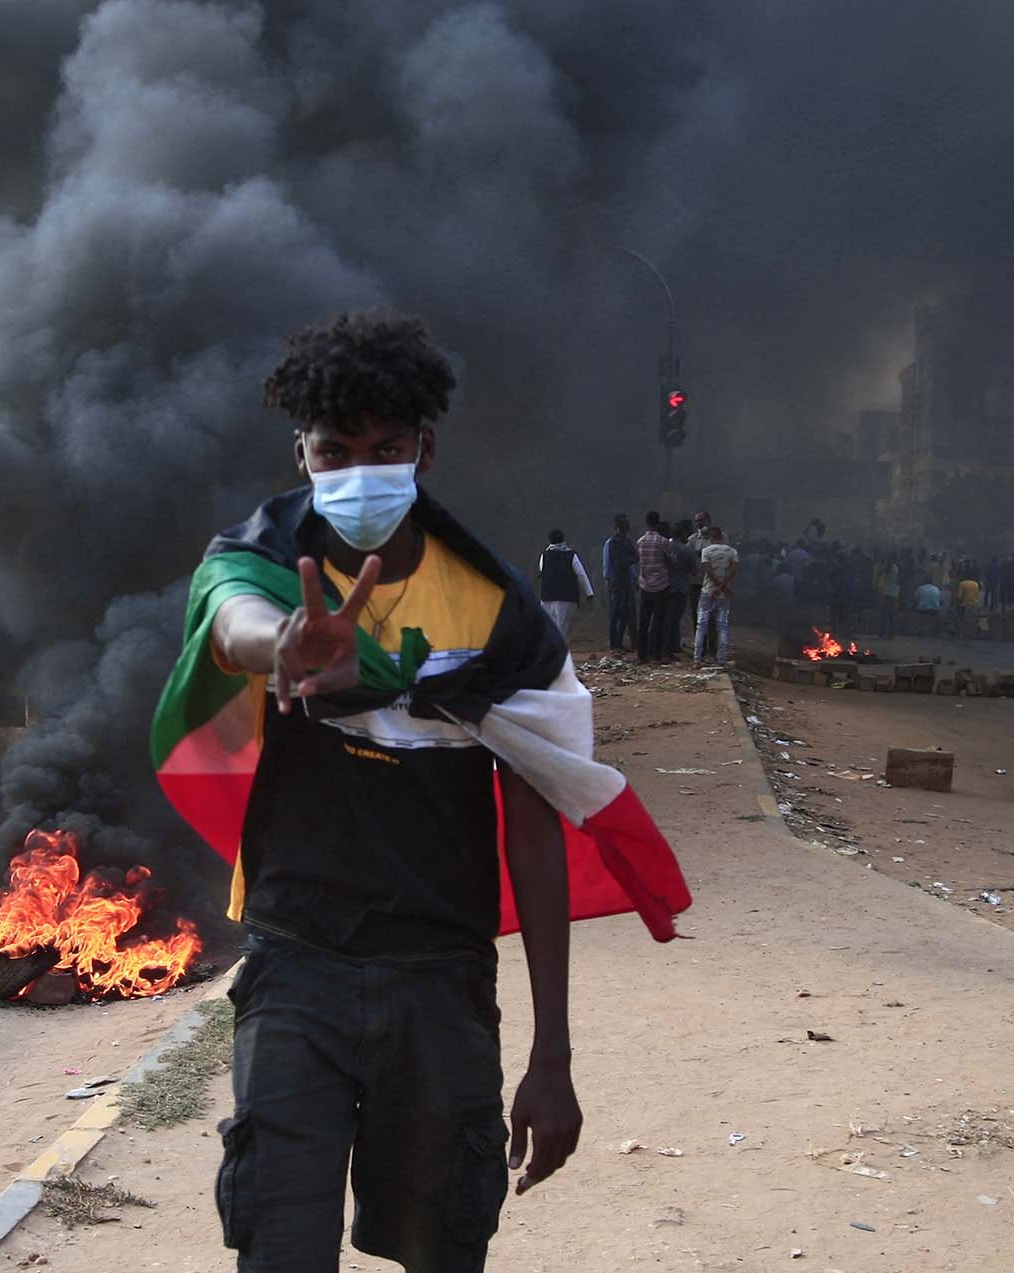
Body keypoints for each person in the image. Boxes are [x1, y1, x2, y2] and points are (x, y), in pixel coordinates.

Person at [149, 309, 690, 1273]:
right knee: (277, 1242)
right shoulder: (269, 558)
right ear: (303, 454)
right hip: (296, 963)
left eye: (385, 446)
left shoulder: (495, 615)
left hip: (439, 977)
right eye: (336, 449)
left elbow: (534, 825)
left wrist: (552, 1054)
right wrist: (282, 644)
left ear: (424, 448)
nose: (361, 470)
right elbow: (227, 613)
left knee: (444, 1245)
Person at [537, 530, 594, 638]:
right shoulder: (571, 555)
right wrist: (589, 593)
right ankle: (560, 651)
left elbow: (541, 571)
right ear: (563, 539)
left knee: (550, 627)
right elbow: (581, 574)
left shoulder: (544, 555)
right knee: (562, 627)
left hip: (547, 596)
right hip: (567, 597)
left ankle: (553, 651)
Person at [695, 527, 738, 666]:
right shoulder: (732, 552)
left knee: (701, 626)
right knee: (722, 626)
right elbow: (733, 571)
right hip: (724, 595)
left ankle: (697, 659)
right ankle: (721, 660)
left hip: (707, 592)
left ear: (711, 538)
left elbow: (708, 571)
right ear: (722, 537)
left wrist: (716, 588)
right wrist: (723, 588)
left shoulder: (706, 551)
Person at [636, 512, 671, 663]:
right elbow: (672, 559)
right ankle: (656, 654)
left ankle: (642, 655)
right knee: (659, 620)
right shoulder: (663, 541)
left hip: (645, 584)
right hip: (661, 585)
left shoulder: (640, 541)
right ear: (658, 524)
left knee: (643, 620)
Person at [601, 513, 637, 653]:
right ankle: (615, 645)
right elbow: (609, 564)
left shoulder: (626, 542)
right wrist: (608, 580)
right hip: (617, 581)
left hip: (624, 580)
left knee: (623, 613)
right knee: (617, 613)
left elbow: (632, 560)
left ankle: (619, 644)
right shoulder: (612, 543)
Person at [663, 524, 695, 662]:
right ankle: (670, 647)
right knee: (675, 618)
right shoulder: (687, 550)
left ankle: (671, 645)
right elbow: (693, 570)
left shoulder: (664, 547)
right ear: (682, 535)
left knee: (666, 617)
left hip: (664, 586)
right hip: (681, 587)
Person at [875, 556, 899, 640]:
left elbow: (882, 575)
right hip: (892, 594)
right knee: (889, 615)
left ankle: (883, 633)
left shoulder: (890, 568)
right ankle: (888, 634)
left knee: (885, 615)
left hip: (888, 594)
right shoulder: (894, 567)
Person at [955, 572, 982, 641]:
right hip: (975, 604)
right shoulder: (976, 584)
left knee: (963, 619)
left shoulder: (962, 583)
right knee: (973, 619)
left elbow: (959, 597)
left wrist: (957, 604)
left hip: (965, 604)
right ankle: (973, 633)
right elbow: (977, 595)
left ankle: (962, 633)